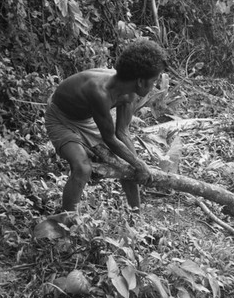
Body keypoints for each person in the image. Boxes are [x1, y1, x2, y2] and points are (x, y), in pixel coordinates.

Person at [44, 39, 167, 221]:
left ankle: (136, 217)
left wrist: (136, 163)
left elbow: (122, 132)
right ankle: (67, 223)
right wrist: (140, 164)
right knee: (82, 168)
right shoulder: (99, 92)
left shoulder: (131, 92)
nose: (155, 86)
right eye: (154, 81)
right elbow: (109, 138)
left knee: (128, 164)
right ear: (140, 81)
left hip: (87, 119)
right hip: (61, 119)